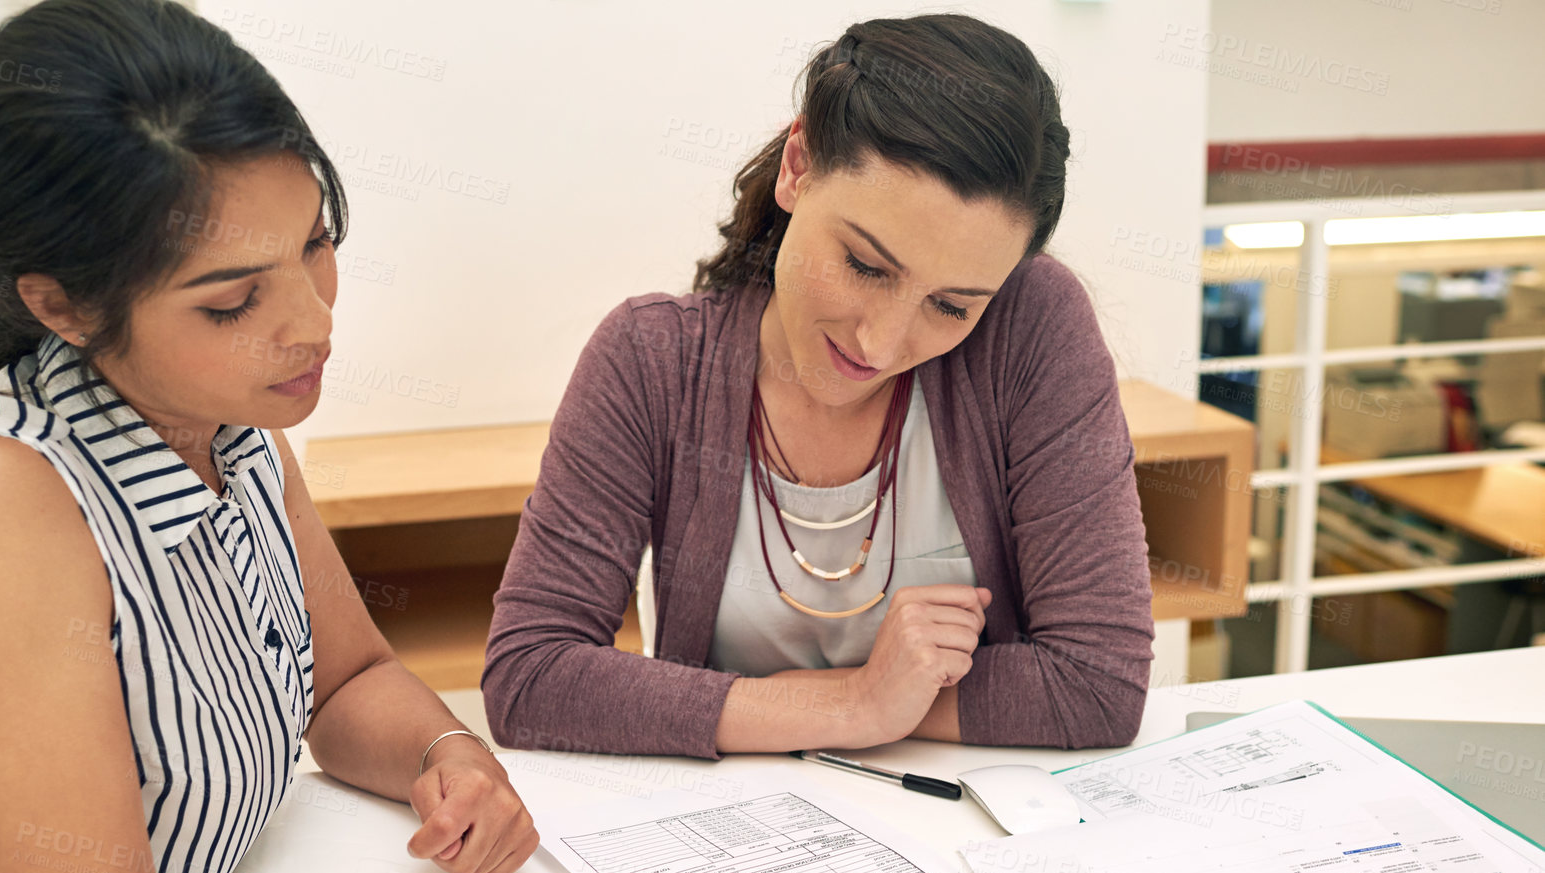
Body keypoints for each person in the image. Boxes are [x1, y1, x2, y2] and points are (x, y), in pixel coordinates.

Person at [0, 3, 737, 873]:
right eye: (231, 301)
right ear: (58, 304)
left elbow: (343, 680)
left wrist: (444, 756)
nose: (312, 323)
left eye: (314, 243)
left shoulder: (234, 421)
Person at [484, 14, 1155, 760]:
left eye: (950, 306)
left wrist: (785, 706)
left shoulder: (1030, 328)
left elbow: (1099, 683)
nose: (880, 342)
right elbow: (530, 676)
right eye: (866, 265)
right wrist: (860, 703)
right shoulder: (650, 360)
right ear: (797, 166)